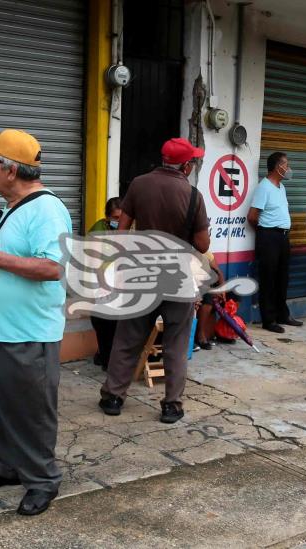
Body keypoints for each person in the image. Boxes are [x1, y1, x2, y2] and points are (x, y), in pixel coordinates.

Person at [0, 129, 72, 516]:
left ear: (10, 170)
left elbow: (52, 267)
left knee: (30, 410)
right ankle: (8, 465)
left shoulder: (46, 209)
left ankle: (42, 480)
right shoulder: (15, 207)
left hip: (26, 333)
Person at [99, 137, 210, 423]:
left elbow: (121, 232)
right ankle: (171, 404)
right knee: (175, 342)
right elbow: (202, 243)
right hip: (177, 276)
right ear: (186, 166)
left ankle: (113, 396)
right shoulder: (194, 196)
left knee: (127, 338)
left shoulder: (138, 184)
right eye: (192, 161)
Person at [248, 152, 302, 333]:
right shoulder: (264, 187)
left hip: (283, 237)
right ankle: (268, 320)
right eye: (285, 164)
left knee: (282, 278)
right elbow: (252, 216)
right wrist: (265, 232)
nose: (288, 168)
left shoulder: (281, 188)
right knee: (268, 279)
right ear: (277, 167)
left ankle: (282, 314)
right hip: (269, 237)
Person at [88, 198, 122, 369]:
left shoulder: (129, 229)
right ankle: (106, 359)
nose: (119, 221)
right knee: (104, 322)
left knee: (119, 324)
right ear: (107, 217)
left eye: (121, 218)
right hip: (101, 282)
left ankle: (107, 356)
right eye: (115, 218)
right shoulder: (98, 230)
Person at [195, 251, 225, 349]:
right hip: (196, 286)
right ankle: (200, 335)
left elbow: (218, 272)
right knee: (208, 296)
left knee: (234, 295)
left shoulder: (206, 253)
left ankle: (224, 332)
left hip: (208, 285)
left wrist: (222, 290)